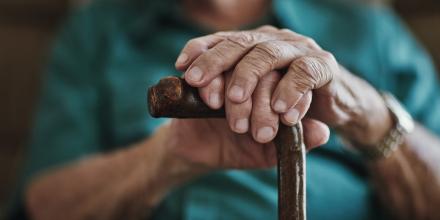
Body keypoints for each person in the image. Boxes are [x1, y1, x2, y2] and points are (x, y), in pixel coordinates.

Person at [8, 0, 440, 219]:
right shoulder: (98, 29)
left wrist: (367, 114)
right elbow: (44, 203)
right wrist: (164, 159)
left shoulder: (367, 29)